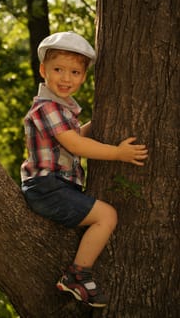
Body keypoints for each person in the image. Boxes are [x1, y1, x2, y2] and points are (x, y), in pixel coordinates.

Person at [21, 31, 148, 307]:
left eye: (75, 72)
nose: (67, 78)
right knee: (107, 216)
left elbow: (75, 135)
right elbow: (76, 145)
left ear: (83, 76)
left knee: (102, 214)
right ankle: (77, 275)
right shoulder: (47, 108)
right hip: (46, 187)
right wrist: (117, 153)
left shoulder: (61, 109)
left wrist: (99, 124)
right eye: (58, 70)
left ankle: (78, 274)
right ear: (43, 70)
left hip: (55, 186)